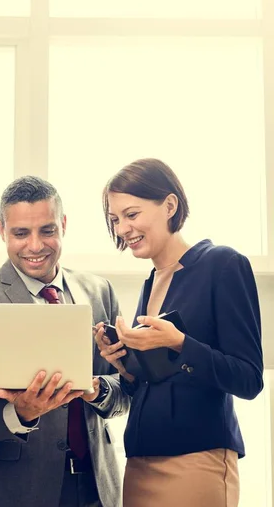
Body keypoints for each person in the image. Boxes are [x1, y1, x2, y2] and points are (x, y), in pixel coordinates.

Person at [96, 158, 264, 507]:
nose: (123, 228)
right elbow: (157, 379)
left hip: (196, 460)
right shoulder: (151, 283)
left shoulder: (222, 265)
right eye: (115, 219)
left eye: (132, 214)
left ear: (169, 205)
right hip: (141, 460)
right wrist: (125, 365)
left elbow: (249, 379)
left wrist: (179, 342)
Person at [0, 176, 129, 507]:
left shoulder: (99, 291)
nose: (35, 245)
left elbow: (126, 390)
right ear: (2, 230)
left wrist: (95, 389)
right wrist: (19, 413)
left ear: (62, 225)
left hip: (97, 486)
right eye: (21, 233)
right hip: (19, 491)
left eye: (47, 230)